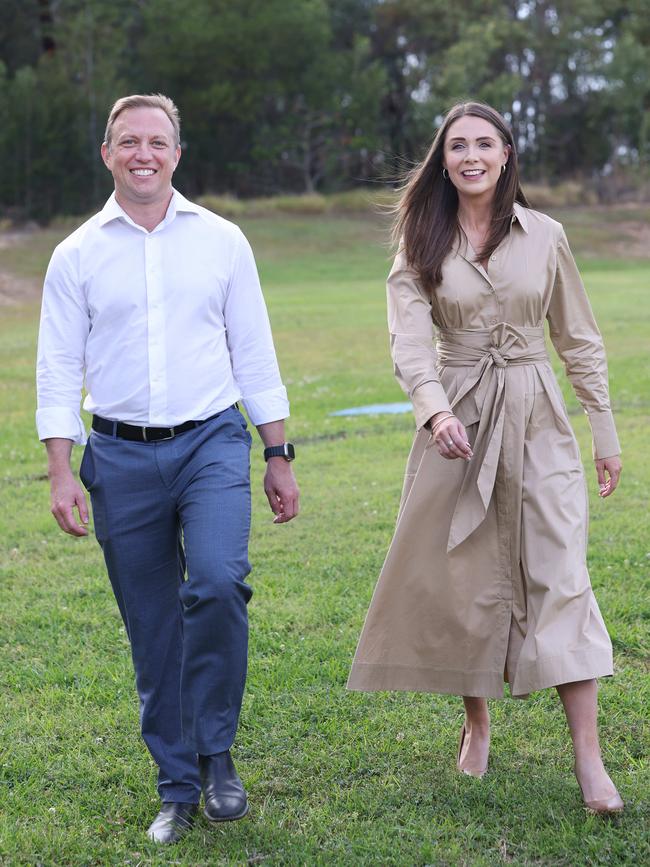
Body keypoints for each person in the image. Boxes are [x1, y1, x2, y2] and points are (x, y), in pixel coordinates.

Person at [36, 93, 299, 843]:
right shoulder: (76, 254)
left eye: (157, 141)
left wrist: (277, 454)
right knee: (152, 625)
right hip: (117, 453)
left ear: (177, 154)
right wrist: (62, 469)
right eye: (128, 141)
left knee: (217, 580)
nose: (143, 153)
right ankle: (177, 785)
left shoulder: (222, 241)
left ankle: (217, 755)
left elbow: (254, 352)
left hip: (212, 440)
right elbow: (57, 369)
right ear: (107, 153)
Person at [348, 101, 624, 814]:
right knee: (464, 574)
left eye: (483, 143)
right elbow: (409, 343)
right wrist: (435, 409)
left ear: (506, 153)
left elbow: (580, 337)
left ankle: (590, 762)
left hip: (538, 417)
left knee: (561, 570)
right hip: (459, 417)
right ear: (444, 159)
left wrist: (604, 426)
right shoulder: (420, 239)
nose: (470, 155)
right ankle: (476, 717)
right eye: (456, 145)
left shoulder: (547, 236)